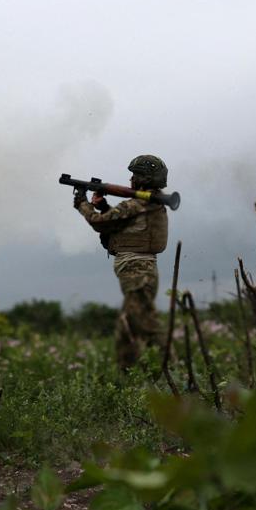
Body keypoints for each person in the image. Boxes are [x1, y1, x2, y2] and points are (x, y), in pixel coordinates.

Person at [73, 155, 169, 371]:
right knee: (130, 326)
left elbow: (99, 223)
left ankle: (170, 370)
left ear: (143, 179)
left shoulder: (138, 204)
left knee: (145, 323)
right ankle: (130, 374)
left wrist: (82, 204)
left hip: (137, 271)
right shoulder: (151, 204)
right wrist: (104, 206)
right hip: (139, 270)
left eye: (135, 175)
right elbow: (120, 225)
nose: (131, 179)